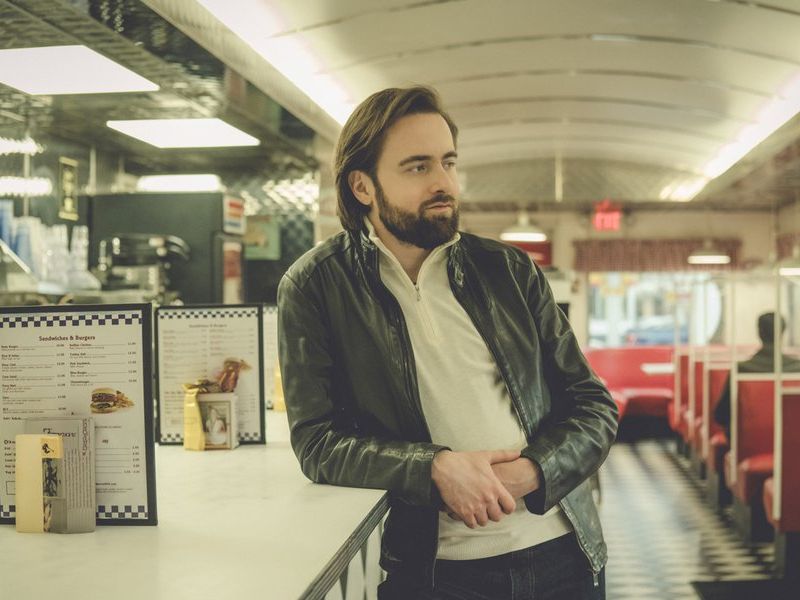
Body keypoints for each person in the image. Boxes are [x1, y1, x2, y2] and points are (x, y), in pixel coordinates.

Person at [278, 86, 618, 599]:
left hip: (563, 555)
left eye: (449, 162)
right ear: (363, 186)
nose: (444, 183)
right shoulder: (316, 286)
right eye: (418, 167)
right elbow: (317, 444)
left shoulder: (508, 270)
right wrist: (433, 466)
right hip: (433, 572)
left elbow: (594, 406)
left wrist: (533, 471)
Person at [714, 312, 800, 438]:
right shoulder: (797, 368)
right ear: (783, 332)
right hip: (792, 440)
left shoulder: (742, 370)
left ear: (759, 333)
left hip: (748, 440)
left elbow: (721, 415)